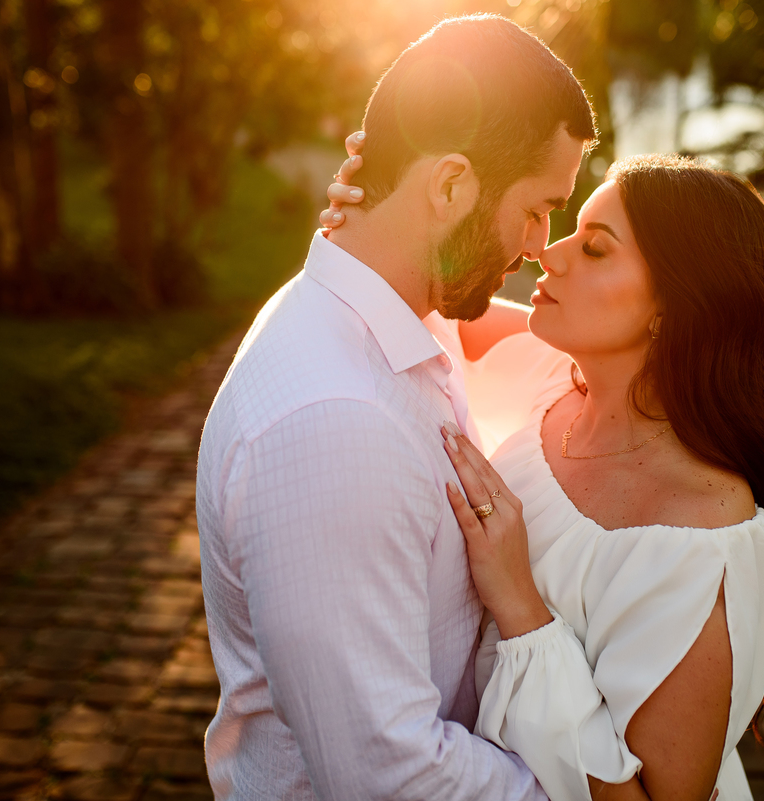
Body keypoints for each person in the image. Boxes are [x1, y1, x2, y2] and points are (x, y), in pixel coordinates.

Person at [321, 146, 764, 800]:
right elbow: (414, 294)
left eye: (596, 248)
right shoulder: (553, 373)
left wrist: (521, 602)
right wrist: (377, 207)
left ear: (674, 304)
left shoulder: (704, 541)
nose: (549, 253)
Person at [195, 14, 597, 800]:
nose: (539, 244)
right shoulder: (335, 424)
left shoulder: (401, 313)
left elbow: (540, 339)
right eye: (539, 207)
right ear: (449, 185)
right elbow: (389, 773)